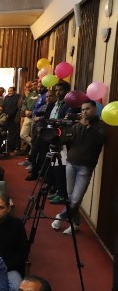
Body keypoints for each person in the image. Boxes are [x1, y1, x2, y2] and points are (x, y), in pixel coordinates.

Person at [52, 100, 106, 235]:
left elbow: (100, 140)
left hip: (85, 168)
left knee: (75, 200)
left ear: (95, 109)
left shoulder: (101, 125)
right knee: (71, 198)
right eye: (82, 110)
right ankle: (75, 224)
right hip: (70, 164)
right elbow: (66, 140)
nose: (84, 112)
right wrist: (64, 126)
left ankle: (60, 216)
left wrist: (88, 126)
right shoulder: (77, 125)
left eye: (87, 109)